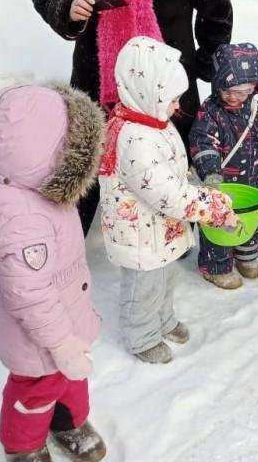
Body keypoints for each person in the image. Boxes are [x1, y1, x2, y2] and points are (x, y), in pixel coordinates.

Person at [31, 0, 233, 235]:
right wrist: (66, 3)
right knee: (88, 158)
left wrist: (207, 64)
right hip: (97, 84)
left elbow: (216, 9)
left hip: (167, 90)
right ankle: (69, 240)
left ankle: (170, 236)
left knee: (167, 165)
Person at [0, 84, 107, 462]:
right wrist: (62, 343)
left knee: (70, 380)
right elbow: (29, 295)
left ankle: (69, 422)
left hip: (65, 312)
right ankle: (24, 446)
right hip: (37, 332)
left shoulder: (30, 184)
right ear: (43, 153)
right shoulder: (21, 218)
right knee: (36, 389)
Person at [98, 37, 239, 364]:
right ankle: (141, 336)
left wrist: (190, 178)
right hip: (140, 235)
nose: (178, 105)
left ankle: (162, 319)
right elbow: (167, 195)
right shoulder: (135, 139)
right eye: (172, 98)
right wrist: (213, 206)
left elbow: (171, 173)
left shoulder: (153, 123)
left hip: (160, 229)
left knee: (166, 277)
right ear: (148, 92)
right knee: (143, 287)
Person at [189, 43, 258, 289]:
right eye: (228, 90)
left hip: (251, 180)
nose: (234, 97)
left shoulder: (257, 110)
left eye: (242, 91)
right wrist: (211, 173)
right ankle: (215, 267)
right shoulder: (210, 111)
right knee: (219, 223)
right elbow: (203, 141)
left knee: (250, 221)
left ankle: (246, 256)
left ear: (253, 88)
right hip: (221, 186)